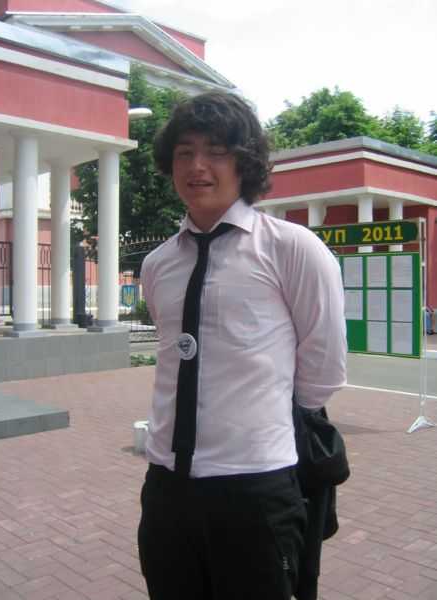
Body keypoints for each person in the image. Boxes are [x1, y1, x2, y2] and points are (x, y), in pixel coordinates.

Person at [138, 91, 347, 600]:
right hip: (166, 487)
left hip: (254, 487)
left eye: (216, 150)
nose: (197, 165)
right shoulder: (158, 264)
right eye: (184, 152)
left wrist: (256, 423)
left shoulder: (291, 248)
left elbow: (322, 368)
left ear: (245, 161)